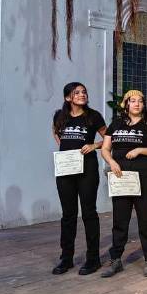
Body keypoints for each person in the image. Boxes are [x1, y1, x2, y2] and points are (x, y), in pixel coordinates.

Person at [100, 90, 147, 278]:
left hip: (145, 176)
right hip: (121, 177)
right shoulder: (116, 125)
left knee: (146, 218)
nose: (137, 104)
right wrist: (111, 162)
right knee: (120, 219)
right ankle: (116, 260)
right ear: (126, 105)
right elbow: (105, 149)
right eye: (133, 101)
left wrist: (139, 150)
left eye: (140, 101)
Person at [51, 82, 107, 275]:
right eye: (77, 93)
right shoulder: (60, 116)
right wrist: (65, 151)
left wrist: (94, 146)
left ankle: (93, 259)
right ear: (68, 97)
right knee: (68, 214)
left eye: (84, 91)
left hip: (87, 170)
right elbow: (55, 132)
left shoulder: (93, 116)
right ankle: (66, 258)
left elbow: (109, 138)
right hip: (66, 170)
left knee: (89, 212)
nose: (82, 95)